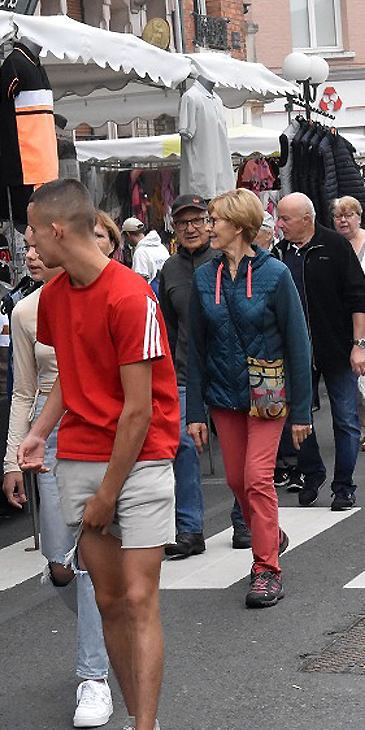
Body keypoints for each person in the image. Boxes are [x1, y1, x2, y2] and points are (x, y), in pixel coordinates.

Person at [18, 179, 178, 730]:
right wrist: (39, 431)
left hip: (140, 460)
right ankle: (145, 726)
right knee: (108, 600)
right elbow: (71, 374)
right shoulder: (56, 297)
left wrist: (108, 491)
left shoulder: (131, 295)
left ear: (57, 230)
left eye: (34, 231)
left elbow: (138, 412)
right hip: (81, 457)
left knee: (137, 597)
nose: (29, 243)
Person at [0, 234, 114, 730]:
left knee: (89, 560)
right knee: (59, 566)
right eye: (27, 243)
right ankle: (109, 619)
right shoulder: (25, 311)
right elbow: (23, 390)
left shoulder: (104, 296)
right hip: (48, 442)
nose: (32, 252)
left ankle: (93, 676)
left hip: (97, 435)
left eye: (40, 241)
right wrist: (12, 458)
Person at [187, 189, 312, 606]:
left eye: (215, 220)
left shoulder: (276, 274)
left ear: (239, 225)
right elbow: (196, 350)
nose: (208, 227)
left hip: (268, 390)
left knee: (258, 478)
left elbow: (299, 344)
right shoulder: (204, 277)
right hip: (223, 395)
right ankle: (270, 531)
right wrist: (195, 412)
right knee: (238, 480)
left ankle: (266, 569)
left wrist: (302, 411)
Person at [274, 192, 365, 511]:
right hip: (296, 354)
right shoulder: (280, 253)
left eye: (285, 218)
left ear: (307, 218)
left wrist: (358, 345)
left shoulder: (334, 246)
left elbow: (359, 298)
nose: (279, 224)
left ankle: (344, 486)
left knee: (344, 419)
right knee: (296, 418)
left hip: (337, 348)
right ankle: (312, 472)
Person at [157, 194, 222, 559]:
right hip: (183, 372)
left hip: (228, 370)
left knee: (236, 446)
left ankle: (243, 520)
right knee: (181, 445)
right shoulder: (170, 269)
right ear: (175, 228)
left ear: (209, 223)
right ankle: (190, 529)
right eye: (183, 223)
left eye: (197, 220)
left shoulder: (225, 260)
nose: (191, 228)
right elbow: (166, 326)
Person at [332, 196, 365, 452]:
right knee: (353, 377)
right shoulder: (329, 247)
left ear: (359, 216)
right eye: (338, 216)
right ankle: (363, 424)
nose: (344, 220)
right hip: (344, 322)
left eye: (349, 215)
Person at [130, 225, 170, 290]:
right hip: (166, 289)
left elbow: (140, 280)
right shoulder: (162, 248)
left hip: (151, 293)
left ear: (128, 235)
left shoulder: (140, 252)